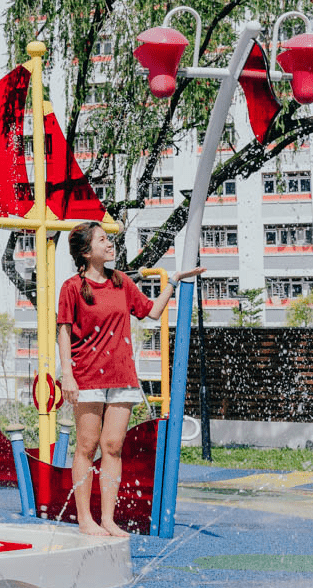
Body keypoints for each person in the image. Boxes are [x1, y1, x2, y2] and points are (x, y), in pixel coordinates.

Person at [58, 221, 204, 537]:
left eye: (108, 239)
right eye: (102, 240)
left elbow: (150, 312)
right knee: (86, 446)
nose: (109, 244)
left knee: (112, 447)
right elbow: (64, 330)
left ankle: (108, 520)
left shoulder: (121, 282)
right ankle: (85, 519)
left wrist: (174, 282)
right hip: (86, 378)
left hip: (121, 377)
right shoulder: (72, 287)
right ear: (86, 251)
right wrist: (66, 375)